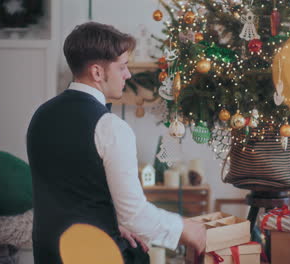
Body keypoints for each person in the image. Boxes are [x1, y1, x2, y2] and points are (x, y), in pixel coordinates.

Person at [26, 22, 206, 264]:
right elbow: (135, 216)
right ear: (97, 72)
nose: (128, 75)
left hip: (49, 253)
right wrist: (185, 229)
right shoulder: (111, 127)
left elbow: (70, 195)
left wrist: (114, 225)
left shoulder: (40, 115)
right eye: (122, 67)